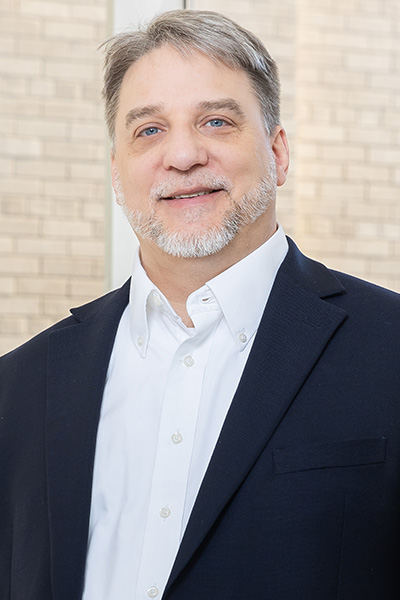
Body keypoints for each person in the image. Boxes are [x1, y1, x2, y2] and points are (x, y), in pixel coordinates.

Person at [1, 9, 399, 600]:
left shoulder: (388, 350)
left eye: (216, 121)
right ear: (118, 173)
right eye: (149, 130)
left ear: (278, 152)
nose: (182, 155)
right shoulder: (21, 387)